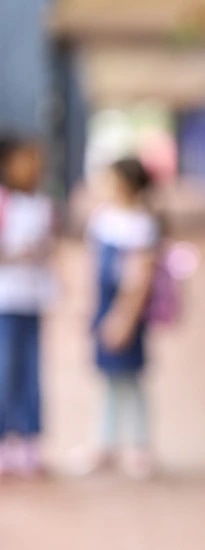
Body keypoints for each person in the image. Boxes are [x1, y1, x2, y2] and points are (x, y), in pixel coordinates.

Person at [81, 158, 160, 479]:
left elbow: (138, 279)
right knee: (111, 380)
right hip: (105, 307)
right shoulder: (103, 218)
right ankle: (106, 443)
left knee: (131, 379)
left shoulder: (140, 224)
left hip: (124, 311)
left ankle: (139, 445)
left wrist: (124, 317)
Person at [0, 134, 56, 478]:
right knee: (5, 372)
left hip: (32, 300)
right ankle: (5, 438)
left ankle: (29, 439)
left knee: (31, 372)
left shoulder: (42, 205)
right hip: (5, 302)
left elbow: (50, 248)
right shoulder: (4, 203)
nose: (34, 167)